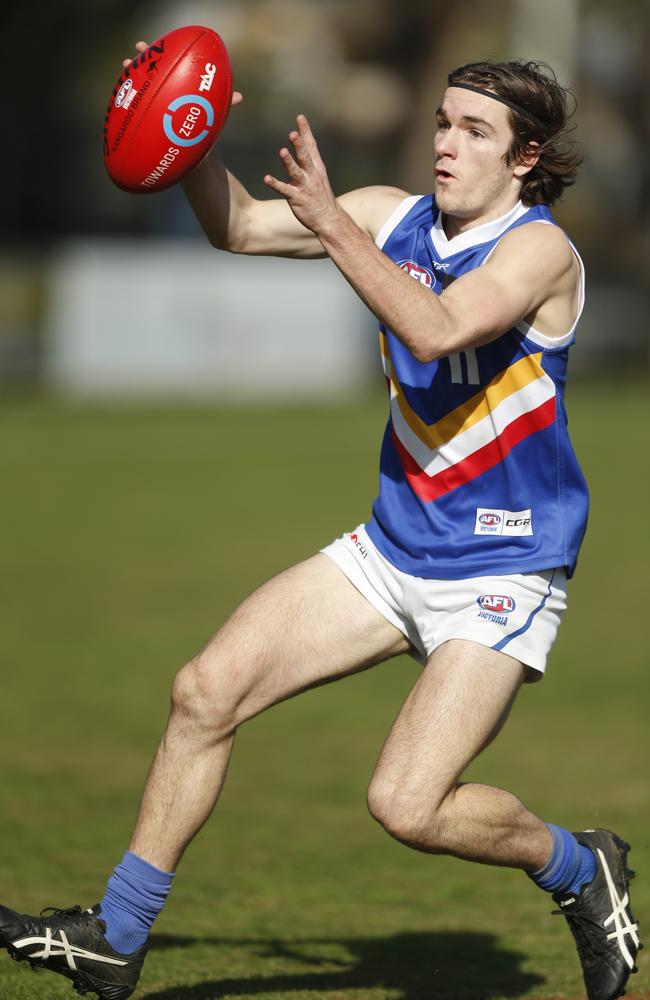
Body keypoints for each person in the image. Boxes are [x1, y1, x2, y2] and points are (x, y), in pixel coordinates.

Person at [0, 53, 640, 1000]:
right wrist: (185, 131)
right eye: (442, 122)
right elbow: (238, 229)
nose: (445, 145)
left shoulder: (540, 251)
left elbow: (435, 328)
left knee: (407, 805)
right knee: (204, 691)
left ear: (525, 157)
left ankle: (580, 868)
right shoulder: (396, 215)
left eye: (474, 132)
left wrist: (336, 222)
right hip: (393, 550)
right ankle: (115, 936)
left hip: (503, 566)